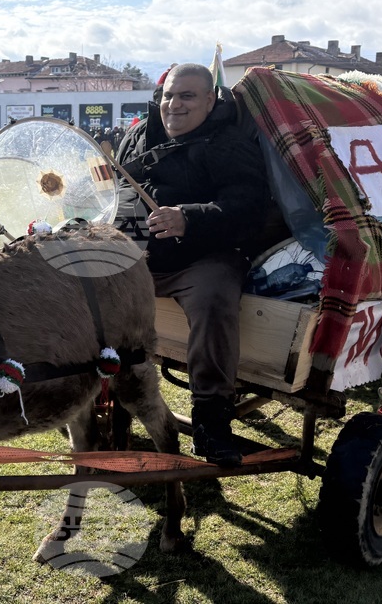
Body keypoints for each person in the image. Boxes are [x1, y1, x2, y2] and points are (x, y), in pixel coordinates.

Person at [114, 63, 269, 467]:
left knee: (214, 300)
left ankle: (210, 420)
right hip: (137, 257)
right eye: (169, 95)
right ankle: (103, 396)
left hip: (202, 259)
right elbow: (108, 190)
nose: (174, 105)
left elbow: (251, 205)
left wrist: (190, 216)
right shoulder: (134, 137)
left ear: (209, 99)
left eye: (187, 96)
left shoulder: (229, 144)